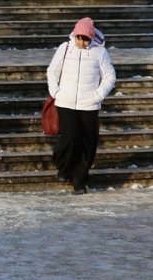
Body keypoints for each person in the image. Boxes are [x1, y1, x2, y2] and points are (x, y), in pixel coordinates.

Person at [46, 17, 116, 195]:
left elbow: (109, 76)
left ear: (91, 38)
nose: (81, 42)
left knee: (87, 143)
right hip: (66, 101)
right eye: (78, 37)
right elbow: (52, 71)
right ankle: (64, 166)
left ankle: (79, 178)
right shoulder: (65, 48)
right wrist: (56, 92)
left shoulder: (100, 53)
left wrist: (98, 96)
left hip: (89, 105)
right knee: (70, 138)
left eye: (85, 39)